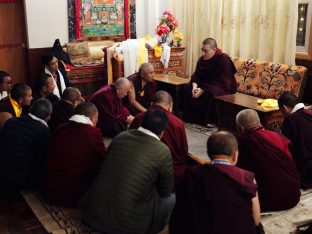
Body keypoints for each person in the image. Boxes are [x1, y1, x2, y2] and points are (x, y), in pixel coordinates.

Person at [79, 109, 174, 234]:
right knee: (171, 199)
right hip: (127, 226)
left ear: (140, 123)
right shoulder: (163, 150)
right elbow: (165, 190)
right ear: (162, 132)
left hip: (91, 213)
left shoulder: (120, 137)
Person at [169, 131, 261, 234]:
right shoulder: (247, 178)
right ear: (235, 155)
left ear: (208, 153)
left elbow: (181, 212)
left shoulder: (190, 174)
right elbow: (256, 220)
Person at [236, 109, 300, 212]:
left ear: (241, 128)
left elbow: (239, 173)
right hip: (293, 195)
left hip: (269, 202)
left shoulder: (243, 143)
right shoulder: (279, 137)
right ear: (259, 122)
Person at [42, 102, 106, 206]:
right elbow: (102, 161)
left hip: (50, 189)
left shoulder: (60, 128)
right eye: (97, 118)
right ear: (93, 116)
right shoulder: (92, 133)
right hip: (73, 194)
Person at [130, 90, 188, 189]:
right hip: (168, 173)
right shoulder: (177, 123)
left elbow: (131, 141)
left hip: (138, 169)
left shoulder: (139, 118)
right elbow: (183, 152)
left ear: (152, 104)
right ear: (170, 106)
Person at [183, 38, 237, 126]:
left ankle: (209, 120)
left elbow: (223, 81)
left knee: (209, 93)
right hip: (206, 85)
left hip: (223, 87)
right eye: (202, 50)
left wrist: (203, 90)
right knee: (187, 87)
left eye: (206, 51)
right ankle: (192, 118)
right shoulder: (202, 60)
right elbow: (196, 75)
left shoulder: (223, 59)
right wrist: (195, 87)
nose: (203, 53)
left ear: (214, 50)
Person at [0, 98, 52, 189]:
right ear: (48, 117)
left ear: (30, 109)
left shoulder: (11, 121)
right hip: (21, 180)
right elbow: (43, 158)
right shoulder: (44, 131)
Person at [278, 91, 312, 188]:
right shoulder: (309, 112)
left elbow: (286, 150)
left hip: (308, 173)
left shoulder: (290, 120)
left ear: (284, 107)